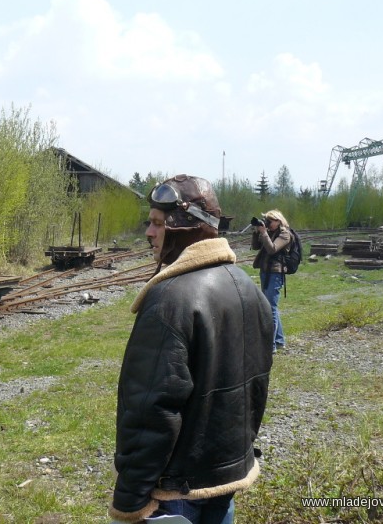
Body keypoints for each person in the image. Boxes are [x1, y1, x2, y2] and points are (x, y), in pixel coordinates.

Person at [109, 175, 273, 524]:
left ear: (185, 228)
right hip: (225, 479)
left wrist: (130, 499)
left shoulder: (169, 299)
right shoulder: (246, 287)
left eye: (157, 224)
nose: (149, 233)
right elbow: (256, 389)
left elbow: (150, 409)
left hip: (175, 494)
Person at [251, 209, 292, 352]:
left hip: (275, 274)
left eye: (270, 221)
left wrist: (264, 233)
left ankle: (271, 346)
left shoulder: (285, 234)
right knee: (271, 307)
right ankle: (279, 341)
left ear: (278, 221)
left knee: (270, 308)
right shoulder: (269, 231)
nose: (268, 223)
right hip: (265, 271)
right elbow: (255, 247)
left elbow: (272, 249)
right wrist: (257, 231)